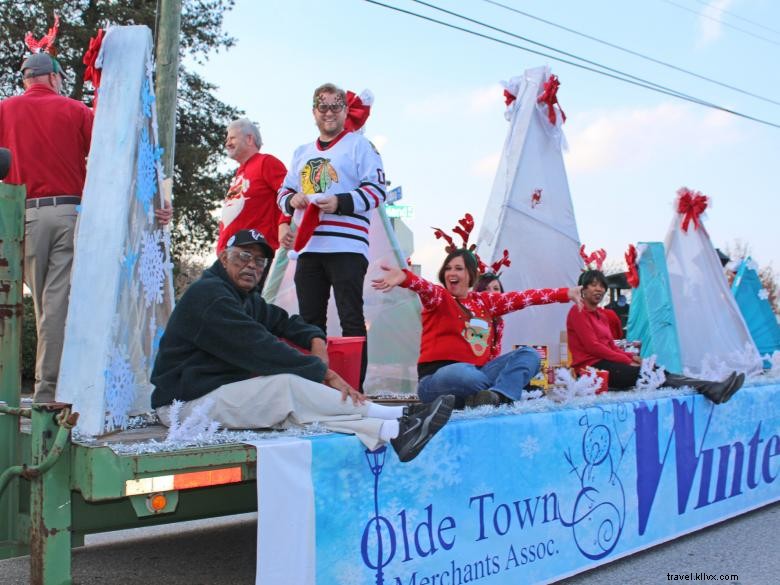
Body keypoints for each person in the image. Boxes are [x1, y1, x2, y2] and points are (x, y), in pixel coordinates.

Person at [150, 229, 453, 462]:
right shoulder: (211, 296)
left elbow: (286, 323)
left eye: (259, 261)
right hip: (184, 406)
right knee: (285, 389)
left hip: (211, 393)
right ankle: (398, 416)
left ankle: (393, 430)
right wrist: (324, 372)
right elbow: (260, 347)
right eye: (244, 256)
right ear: (224, 257)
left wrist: (315, 339)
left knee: (294, 409)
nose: (252, 266)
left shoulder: (244, 298)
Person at [0, 50, 171, 402]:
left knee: (36, 306)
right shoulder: (75, 110)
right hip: (68, 214)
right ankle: (49, 392)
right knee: (55, 305)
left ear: (26, 79)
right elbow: (116, 151)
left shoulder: (5, 110)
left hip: (21, 217)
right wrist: (150, 203)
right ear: (52, 77)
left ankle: (24, 389)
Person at [277, 83, 386, 389]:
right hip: (309, 245)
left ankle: (355, 386)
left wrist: (340, 202)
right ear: (313, 112)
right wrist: (292, 200)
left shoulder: (359, 146)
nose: (328, 113)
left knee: (351, 316)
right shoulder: (301, 152)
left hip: (347, 245)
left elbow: (378, 190)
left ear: (344, 110)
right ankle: (318, 386)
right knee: (310, 321)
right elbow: (283, 191)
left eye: (335, 106)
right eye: (322, 107)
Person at [372, 249, 582, 407]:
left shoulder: (485, 302)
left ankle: (496, 397)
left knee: (530, 355)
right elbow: (425, 288)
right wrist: (406, 278)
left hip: (478, 372)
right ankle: (499, 390)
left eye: (458, 268)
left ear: (471, 275)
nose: (451, 272)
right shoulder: (440, 298)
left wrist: (566, 293)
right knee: (463, 373)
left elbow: (525, 298)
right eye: (448, 268)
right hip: (437, 380)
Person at [566, 269, 744, 403]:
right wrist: (625, 360)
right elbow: (593, 347)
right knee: (648, 374)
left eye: (602, 286)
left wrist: (632, 357)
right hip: (592, 369)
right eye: (593, 285)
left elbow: (610, 345)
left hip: (608, 362)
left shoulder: (602, 315)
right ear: (582, 288)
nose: (599, 289)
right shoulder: (577, 312)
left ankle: (712, 386)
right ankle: (711, 388)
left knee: (657, 369)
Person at [217, 118, 291, 253]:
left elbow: (289, 193)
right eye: (227, 140)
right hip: (229, 257)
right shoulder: (239, 173)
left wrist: (284, 222)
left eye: (232, 138)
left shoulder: (266, 162)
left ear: (249, 139)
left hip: (255, 256)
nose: (227, 143)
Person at [473, 273, 505, 361]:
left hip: (491, 367)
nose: (492, 293)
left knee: (527, 353)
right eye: (486, 289)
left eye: (496, 289)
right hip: (472, 368)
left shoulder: (499, 322)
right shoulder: (473, 318)